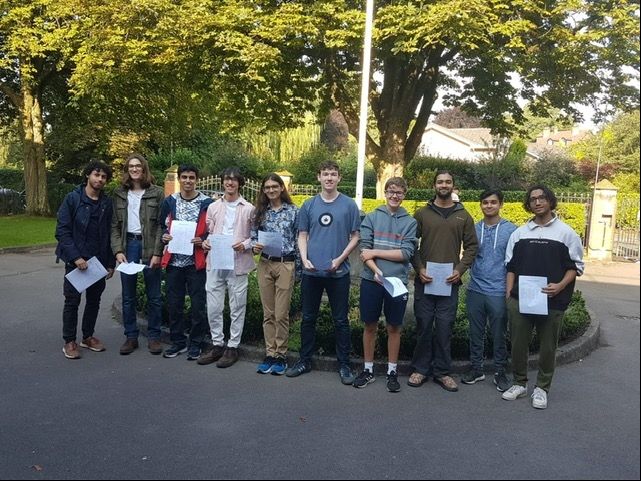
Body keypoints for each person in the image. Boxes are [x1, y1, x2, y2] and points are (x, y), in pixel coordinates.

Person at [501, 185, 584, 409]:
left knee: (548, 347)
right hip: (520, 301)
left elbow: (575, 267)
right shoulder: (520, 233)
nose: (537, 202)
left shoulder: (566, 233)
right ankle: (519, 383)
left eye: (542, 198)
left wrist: (560, 286)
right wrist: (509, 295)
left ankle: (542, 388)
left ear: (550, 201)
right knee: (518, 345)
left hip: (553, 301)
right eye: (533, 199)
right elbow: (511, 267)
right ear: (528, 204)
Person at [285, 160, 361, 385]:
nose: (329, 178)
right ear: (318, 177)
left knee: (341, 320)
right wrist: (304, 259)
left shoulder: (349, 205)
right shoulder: (309, 205)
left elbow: (355, 236)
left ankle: (344, 365)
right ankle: (304, 360)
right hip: (312, 273)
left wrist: (340, 259)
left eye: (333, 174)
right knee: (308, 318)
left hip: (339, 273)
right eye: (325, 174)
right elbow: (302, 235)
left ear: (339, 178)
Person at [408, 170, 478, 392]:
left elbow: (472, 247)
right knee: (423, 326)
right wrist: (419, 268)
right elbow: (411, 244)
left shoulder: (463, 215)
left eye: (448, 182)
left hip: (450, 282)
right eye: (440, 182)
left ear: (453, 186)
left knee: (445, 328)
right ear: (434, 186)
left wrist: (460, 269)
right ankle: (420, 369)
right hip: (425, 281)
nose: (444, 185)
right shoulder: (422, 214)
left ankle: (442, 372)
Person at [353, 177, 416, 392]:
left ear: (404, 194)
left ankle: (392, 371)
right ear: (385, 193)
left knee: (394, 327)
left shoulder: (410, 222)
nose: (394, 196)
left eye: (399, 192)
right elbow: (364, 251)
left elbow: (405, 253)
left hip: (397, 283)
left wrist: (376, 253)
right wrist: (377, 270)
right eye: (391, 191)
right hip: (372, 280)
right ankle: (368, 370)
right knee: (369, 325)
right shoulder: (372, 217)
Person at [56, 161, 115, 359]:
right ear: (88, 175)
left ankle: (87, 337)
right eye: (96, 174)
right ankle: (69, 341)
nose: (100, 179)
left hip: (98, 262)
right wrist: (76, 257)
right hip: (77, 262)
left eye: (104, 177)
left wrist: (110, 263)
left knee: (94, 301)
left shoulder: (106, 203)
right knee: (72, 301)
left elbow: (109, 234)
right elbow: (62, 230)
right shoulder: (73, 199)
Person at [461, 189, 517, 392]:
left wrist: (510, 290)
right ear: (481, 205)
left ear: (501, 204)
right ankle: (477, 369)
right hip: (475, 288)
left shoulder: (512, 230)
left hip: (499, 290)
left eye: (493, 202)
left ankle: (500, 371)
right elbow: (468, 255)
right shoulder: (474, 229)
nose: (489, 206)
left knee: (499, 335)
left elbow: (515, 262)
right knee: (475, 332)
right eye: (485, 202)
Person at [199, 167, 255, 368]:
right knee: (213, 305)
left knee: (237, 305)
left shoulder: (249, 208)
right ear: (222, 182)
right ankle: (217, 344)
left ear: (240, 183)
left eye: (234, 180)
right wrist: (206, 243)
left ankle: (232, 346)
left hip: (238, 261)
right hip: (216, 260)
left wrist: (245, 245)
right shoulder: (213, 207)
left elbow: (255, 236)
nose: (230, 183)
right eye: (227, 179)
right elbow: (209, 232)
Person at [111, 153, 165, 356]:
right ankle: (131, 336)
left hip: (149, 246)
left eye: (138, 166)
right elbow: (114, 226)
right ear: (127, 169)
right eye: (131, 166)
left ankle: (154, 337)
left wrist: (157, 252)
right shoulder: (119, 194)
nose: (134, 169)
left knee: (154, 296)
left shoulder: (157, 193)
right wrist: (118, 250)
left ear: (144, 169)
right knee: (128, 296)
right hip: (129, 246)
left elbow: (161, 225)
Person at [159, 164, 213, 360]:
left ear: (197, 180)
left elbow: (213, 229)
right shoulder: (170, 201)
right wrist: (164, 236)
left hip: (196, 262)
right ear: (179, 179)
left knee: (198, 305)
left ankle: (196, 343)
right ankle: (178, 342)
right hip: (174, 261)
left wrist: (203, 239)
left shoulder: (207, 203)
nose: (188, 181)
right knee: (174, 304)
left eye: (191, 177)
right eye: (184, 177)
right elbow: (161, 226)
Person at [250, 173, 299, 375]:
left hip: (286, 263)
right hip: (265, 263)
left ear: (281, 188)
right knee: (268, 313)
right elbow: (253, 236)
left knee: (281, 314)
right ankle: (270, 353)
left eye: (274, 186)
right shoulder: (259, 212)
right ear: (264, 190)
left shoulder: (294, 211)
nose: (271, 190)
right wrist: (254, 246)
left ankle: (281, 355)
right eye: (267, 187)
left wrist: (299, 269)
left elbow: (299, 240)